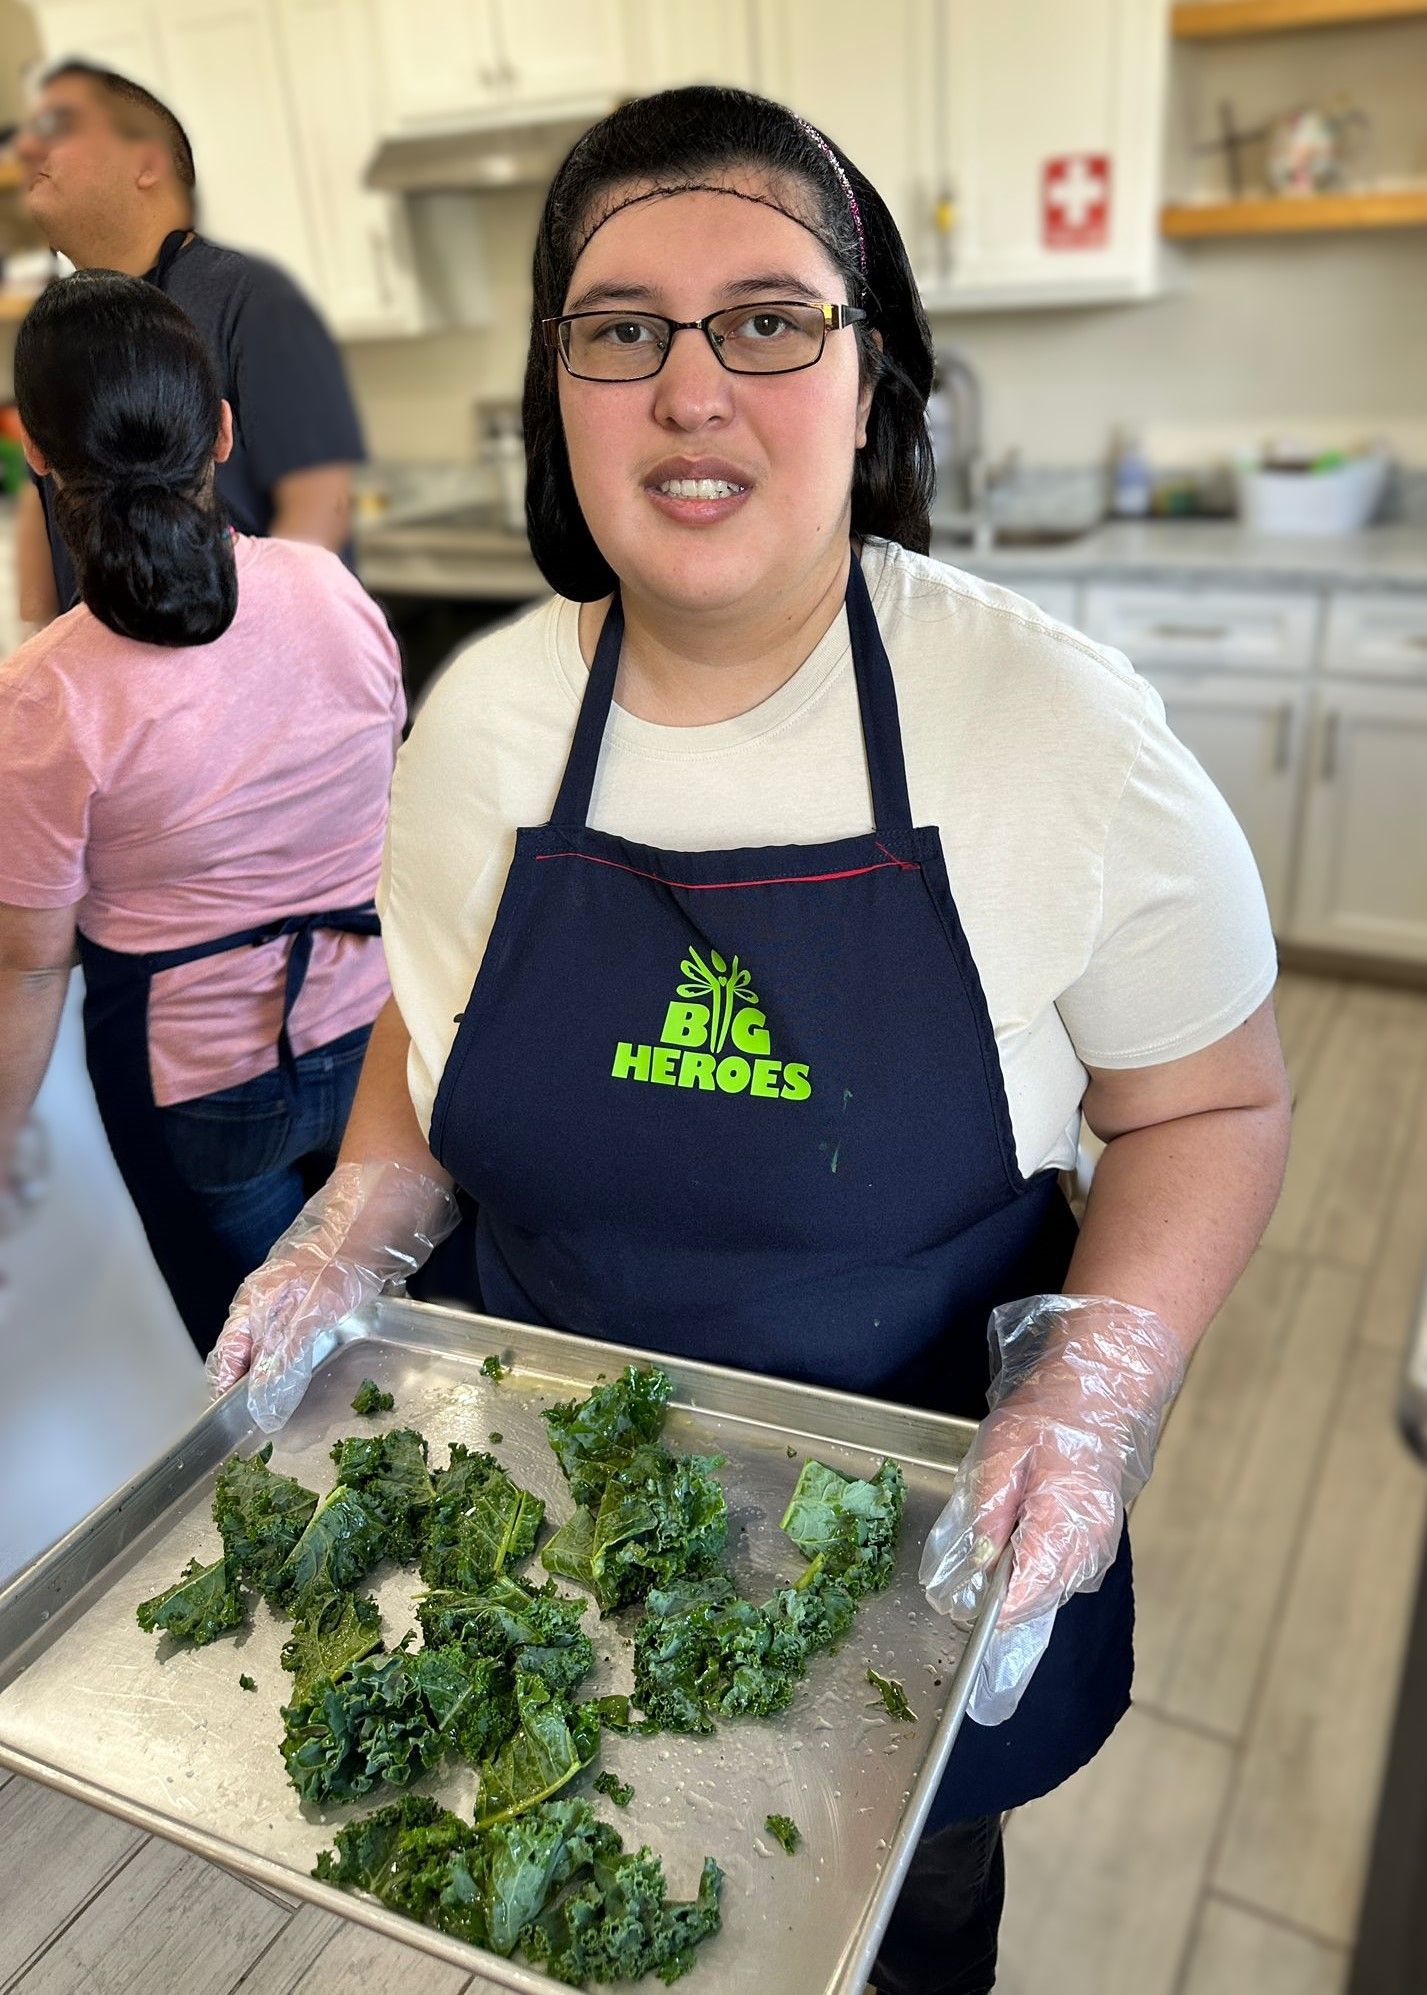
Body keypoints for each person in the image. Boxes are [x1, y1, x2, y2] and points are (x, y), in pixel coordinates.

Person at [206, 87, 1293, 1993]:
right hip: (543, 1521)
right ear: (561, 391)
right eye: (622, 329)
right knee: (587, 1885)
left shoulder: (1052, 733)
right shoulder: (478, 728)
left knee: (913, 1909)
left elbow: (1208, 1099)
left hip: (912, 1555)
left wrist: (1090, 1395)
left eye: (769, 321)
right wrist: (353, 1221)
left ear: (871, 383)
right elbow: (427, 1042)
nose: (692, 388)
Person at [0, 272, 403, 1358]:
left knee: (271, 1386)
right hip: (376, 1048)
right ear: (221, 431)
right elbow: (388, 801)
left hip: (200, 1090)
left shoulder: (47, 692)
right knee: (396, 1352)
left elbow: (30, 965)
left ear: (36, 451)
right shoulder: (330, 590)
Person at [12, 60, 364, 633]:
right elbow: (41, 505)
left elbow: (321, 510)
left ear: (145, 163)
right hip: (101, 696)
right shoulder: (55, 336)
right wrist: (41, 651)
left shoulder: (254, 300)